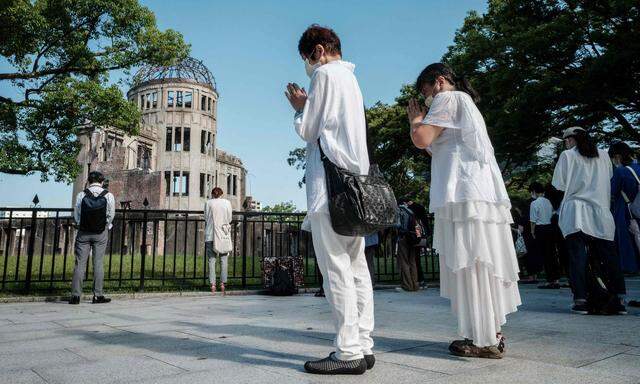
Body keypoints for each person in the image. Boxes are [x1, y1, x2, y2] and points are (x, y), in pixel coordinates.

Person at [407, 62, 521, 358]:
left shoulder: (449, 98)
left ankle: (483, 338)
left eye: (426, 91)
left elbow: (422, 139)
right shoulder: (465, 103)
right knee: (482, 261)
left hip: (463, 192)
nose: (427, 98)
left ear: (440, 82)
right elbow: (438, 146)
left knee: (471, 261)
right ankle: (488, 332)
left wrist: (415, 121)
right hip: (479, 192)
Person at [285, 24, 373, 375]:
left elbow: (309, 130)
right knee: (356, 268)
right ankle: (364, 344)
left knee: (335, 268)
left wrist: (298, 108)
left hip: (329, 187)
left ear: (319, 51)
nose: (307, 65)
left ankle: (347, 350)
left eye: (307, 57)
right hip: (355, 187)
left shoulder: (323, 76)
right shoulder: (351, 80)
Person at [552, 127, 626, 314]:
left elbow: (559, 184)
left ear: (570, 140)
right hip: (601, 212)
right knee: (609, 257)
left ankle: (581, 300)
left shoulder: (568, 155)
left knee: (578, 257)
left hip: (576, 211)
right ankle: (618, 299)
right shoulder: (603, 155)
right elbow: (608, 178)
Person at [70, 171, 115, 304]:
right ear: (102, 182)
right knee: (98, 263)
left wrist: (79, 224)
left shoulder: (81, 195)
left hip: (83, 232)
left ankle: (75, 296)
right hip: (100, 232)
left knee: (79, 264)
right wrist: (106, 225)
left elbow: (77, 213)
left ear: (89, 181)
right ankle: (97, 295)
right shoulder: (108, 195)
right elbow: (111, 214)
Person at [609, 142, 640, 273]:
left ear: (617, 157)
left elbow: (612, 190)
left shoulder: (620, 172)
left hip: (626, 211)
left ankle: (630, 267)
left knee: (627, 239)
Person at [204, 187, 233, 295]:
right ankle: (222, 284)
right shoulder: (227, 203)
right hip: (223, 235)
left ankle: (212, 285)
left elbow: (206, 218)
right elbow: (229, 219)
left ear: (212, 194)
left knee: (211, 261)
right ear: (222, 194)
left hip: (210, 235)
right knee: (223, 260)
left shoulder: (208, 203)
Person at [396, 199, 420, 291]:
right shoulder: (412, 211)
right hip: (413, 238)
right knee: (412, 262)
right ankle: (415, 284)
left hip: (403, 237)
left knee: (404, 262)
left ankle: (407, 285)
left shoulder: (399, 211)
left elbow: (397, 225)